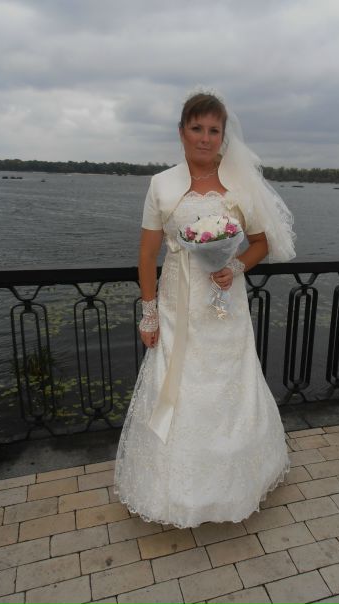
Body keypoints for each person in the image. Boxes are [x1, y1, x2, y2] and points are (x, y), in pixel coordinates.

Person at [114, 89, 296, 528]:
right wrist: (149, 313)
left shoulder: (240, 186)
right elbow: (147, 255)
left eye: (214, 130)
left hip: (226, 306)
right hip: (177, 306)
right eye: (196, 128)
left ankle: (236, 484)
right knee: (176, 387)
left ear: (223, 136)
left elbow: (260, 243)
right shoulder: (161, 185)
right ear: (181, 132)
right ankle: (171, 491)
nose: (205, 137)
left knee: (230, 384)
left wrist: (234, 266)